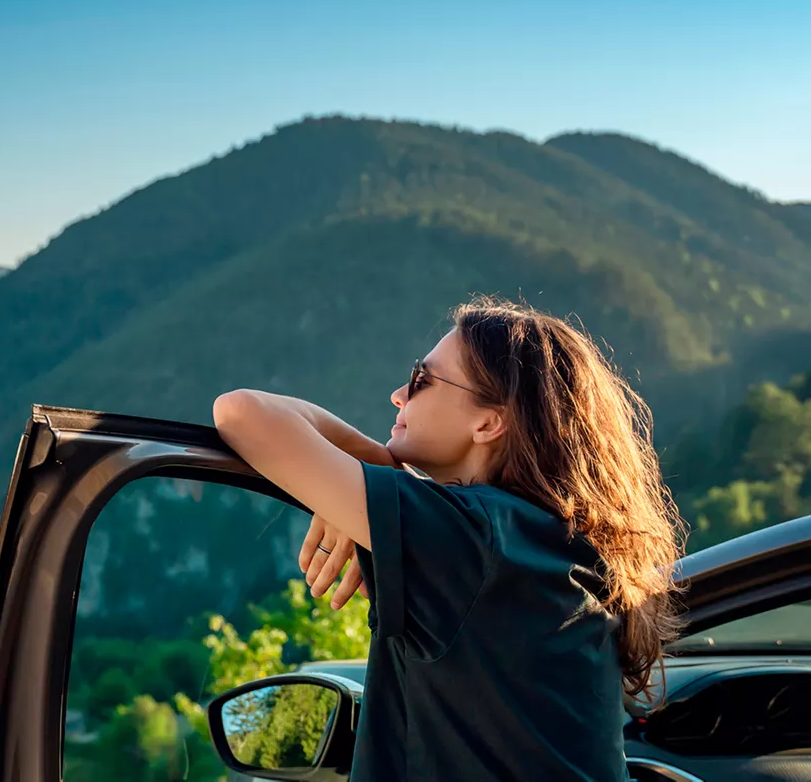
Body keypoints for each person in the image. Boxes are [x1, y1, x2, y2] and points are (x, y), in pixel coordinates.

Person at [212, 297, 685, 781]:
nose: (399, 394)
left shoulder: (474, 538)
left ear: (489, 422)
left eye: (422, 380)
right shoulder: (552, 543)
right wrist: (370, 487)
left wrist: (372, 477)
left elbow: (241, 413)